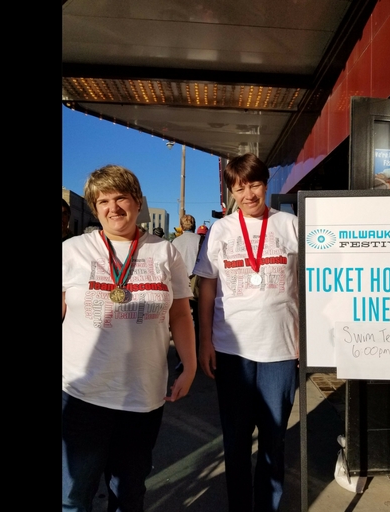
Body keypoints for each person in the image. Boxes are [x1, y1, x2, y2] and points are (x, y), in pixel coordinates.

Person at [62, 164, 197, 512]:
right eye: (102, 200)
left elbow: (181, 314)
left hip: (142, 397)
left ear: (137, 202)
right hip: (82, 396)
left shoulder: (165, 253)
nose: (113, 207)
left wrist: (190, 365)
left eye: (121, 197)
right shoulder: (72, 251)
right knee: (74, 496)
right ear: (94, 208)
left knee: (129, 495)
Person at [193, 153, 300, 512]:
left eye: (254, 184)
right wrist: (204, 340)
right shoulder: (221, 231)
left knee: (274, 441)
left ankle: (267, 507)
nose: (248, 194)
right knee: (236, 442)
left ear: (266, 184)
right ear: (231, 192)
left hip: (281, 350)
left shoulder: (290, 225)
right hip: (231, 350)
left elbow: (310, 283)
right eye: (239, 187)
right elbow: (206, 288)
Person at [170, 214, 205, 373]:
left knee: (180, 321)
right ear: (194, 224)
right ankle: (197, 353)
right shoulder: (201, 240)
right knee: (198, 320)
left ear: (181, 226)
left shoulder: (175, 242)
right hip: (197, 284)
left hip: (179, 283)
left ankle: (181, 358)